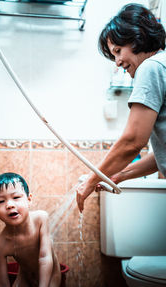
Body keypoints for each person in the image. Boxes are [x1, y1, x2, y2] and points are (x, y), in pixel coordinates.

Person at [76, 3, 166, 213]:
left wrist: (90, 180)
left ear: (137, 38)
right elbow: (161, 156)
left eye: (118, 51)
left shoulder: (151, 67)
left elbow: (133, 141)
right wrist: (116, 176)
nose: (117, 62)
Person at [0, 172, 61, 287]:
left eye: (16, 197)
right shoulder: (0, 244)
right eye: (1, 201)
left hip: (51, 276)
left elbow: (45, 257)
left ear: (29, 199)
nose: (10, 205)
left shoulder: (41, 219)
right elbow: (2, 282)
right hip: (25, 278)